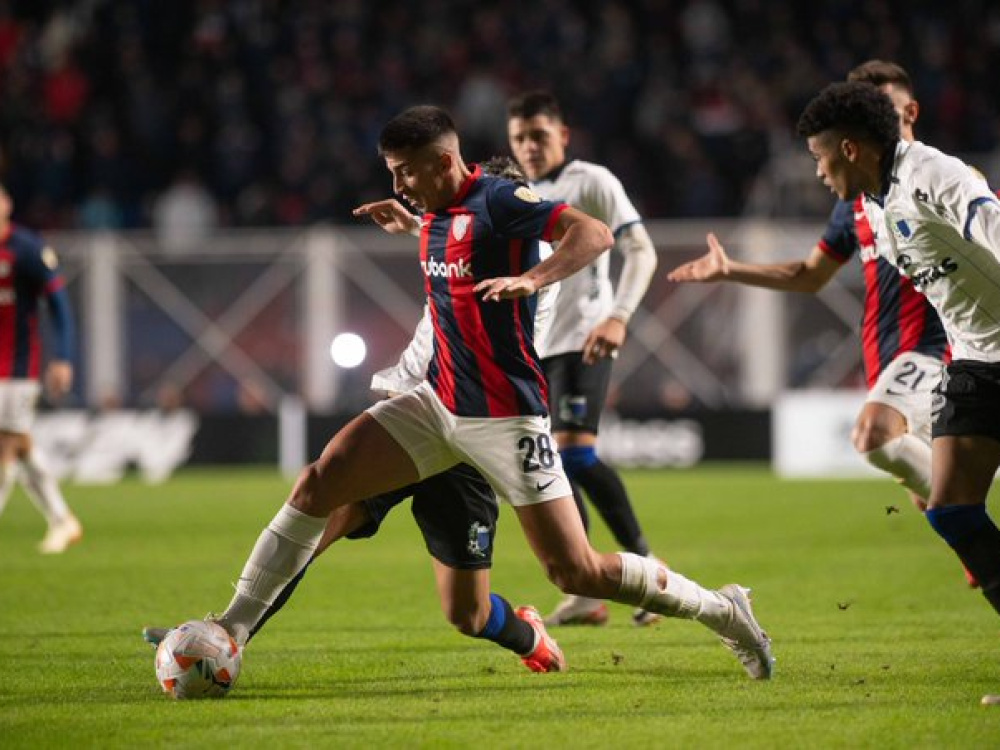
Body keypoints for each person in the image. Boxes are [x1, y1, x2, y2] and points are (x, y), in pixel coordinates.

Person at [166, 105, 774, 681]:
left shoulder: (501, 199)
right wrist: (411, 224)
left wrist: (530, 277)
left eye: (407, 172)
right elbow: (452, 238)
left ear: (442, 162)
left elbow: (593, 235)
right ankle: (230, 629)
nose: (401, 183)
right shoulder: (435, 213)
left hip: (505, 417)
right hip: (434, 404)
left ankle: (723, 611)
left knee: (575, 570)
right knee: (319, 483)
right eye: (393, 174)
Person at [146, 158, 569, 674]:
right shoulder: (460, 241)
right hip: (409, 414)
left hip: (468, 440)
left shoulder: (533, 272)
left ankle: (529, 636)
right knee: (319, 511)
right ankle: (227, 633)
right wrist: (417, 224)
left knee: (467, 612)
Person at [667, 61, 969, 576]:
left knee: (880, 439)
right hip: (886, 354)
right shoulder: (855, 203)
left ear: (909, 113)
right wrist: (731, 268)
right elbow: (810, 275)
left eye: (886, 113)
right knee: (929, 497)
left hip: (937, 347)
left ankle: (973, 525)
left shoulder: (940, 179)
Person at [795, 81, 1000, 695]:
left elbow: (989, 222)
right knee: (951, 510)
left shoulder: (934, 173)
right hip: (975, 360)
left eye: (819, 156)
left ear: (851, 149)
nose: (817, 171)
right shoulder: (877, 205)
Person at [506, 91, 664, 626]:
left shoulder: (590, 180)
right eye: (519, 138)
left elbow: (640, 248)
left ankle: (647, 567)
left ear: (563, 136)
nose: (529, 146)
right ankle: (587, 587)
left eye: (539, 136)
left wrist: (617, 315)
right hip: (537, 347)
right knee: (554, 463)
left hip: (584, 337)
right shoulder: (516, 192)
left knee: (574, 455)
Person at [0, 182, 80, 554]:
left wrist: (62, 356)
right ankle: (63, 519)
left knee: (6, 444)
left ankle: (62, 520)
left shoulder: (26, 249)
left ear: (6, 204)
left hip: (17, 368)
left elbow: (59, 305)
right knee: (21, 445)